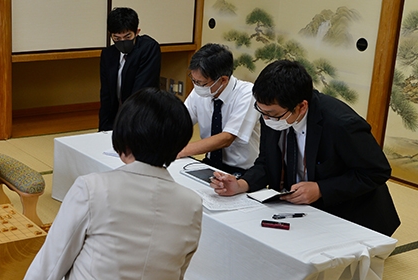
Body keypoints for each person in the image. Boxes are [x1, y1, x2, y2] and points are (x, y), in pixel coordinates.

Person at [25, 88, 202, 280]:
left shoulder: (92, 189)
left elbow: (50, 265)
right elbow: (178, 272)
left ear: (124, 137)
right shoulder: (192, 203)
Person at [210, 60, 400, 236]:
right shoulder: (272, 113)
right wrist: (241, 184)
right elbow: (267, 162)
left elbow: (377, 172)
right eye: (261, 111)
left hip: (350, 216)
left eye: (272, 114)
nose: (266, 119)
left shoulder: (341, 124)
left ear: (301, 106)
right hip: (299, 209)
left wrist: (321, 189)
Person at [179, 43, 260, 175]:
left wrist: (182, 151)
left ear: (222, 80)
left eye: (200, 83)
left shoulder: (247, 94)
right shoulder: (201, 91)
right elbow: (180, 121)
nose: (196, 86)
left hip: (241, 170)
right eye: (193, 80)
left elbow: (227, 138)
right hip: (210, 163)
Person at [98, 7, 161, 131]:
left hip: (142, 114)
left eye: (127, 37)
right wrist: (103, 129)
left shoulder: (148, 48)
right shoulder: (108, 54)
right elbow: (106, 95)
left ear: (137, 32)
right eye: (117, 38)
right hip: (117, 116)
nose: (122, 41)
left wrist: (127, 126)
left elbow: (141, 91)